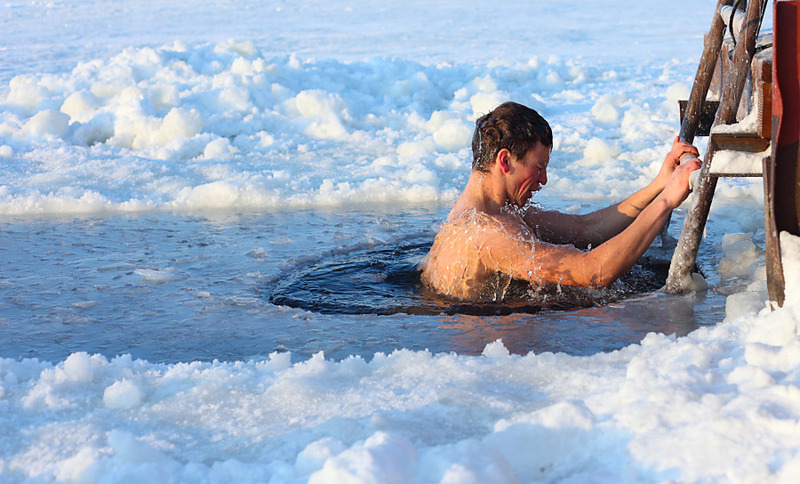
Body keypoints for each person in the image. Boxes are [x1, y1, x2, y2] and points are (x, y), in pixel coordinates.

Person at [420, 101, 701, 302]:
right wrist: (665, 202)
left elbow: (586, 229)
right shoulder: (489, 234)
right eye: (538, 167)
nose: (544, 180)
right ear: (505, 160)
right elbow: (593, 273)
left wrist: (659, 184)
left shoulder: (490, 213)